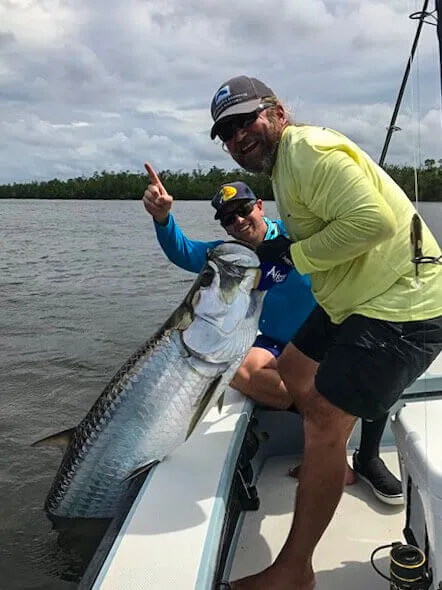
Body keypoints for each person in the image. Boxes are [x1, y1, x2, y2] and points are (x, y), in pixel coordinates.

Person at [208, 75, 442, 590]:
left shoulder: (308, 151)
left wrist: (294, 254)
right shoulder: (284, 168)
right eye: (226, 132)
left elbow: (374, 223)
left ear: (277, 111)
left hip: (404, 304)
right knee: (291, 366)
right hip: (355, 298)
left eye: (246, 120)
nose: (238, 136)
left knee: (323, 417)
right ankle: (333, 462)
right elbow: (328, 222)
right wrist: (285, 243)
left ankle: (295, 569)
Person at [142, 164, 404, 501]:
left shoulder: (298, 235)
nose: (238, 221)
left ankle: (365, 457)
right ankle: (324, 421)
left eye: (243, 210)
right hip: (273, 343)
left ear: (260, 205)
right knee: (234, 368)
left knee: (369, 361)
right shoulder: (230, 258)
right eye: (228, 218)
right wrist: (163, 218)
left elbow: (350, 240)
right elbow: (183, 250)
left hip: (323, 336)